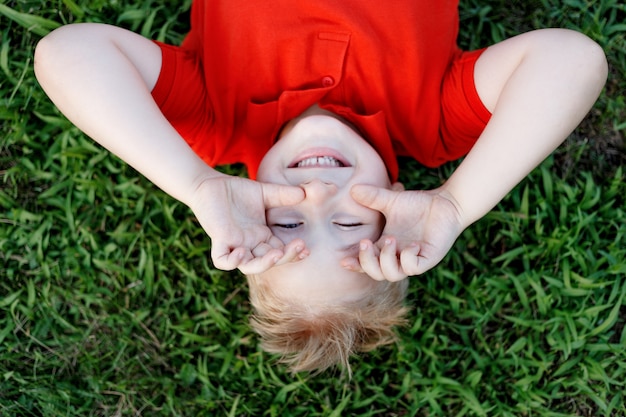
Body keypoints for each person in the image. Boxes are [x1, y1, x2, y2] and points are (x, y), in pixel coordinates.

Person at [34, 0, 607, 374]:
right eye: (350, 222)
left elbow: (67, 53)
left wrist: (196, 184)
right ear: (399, 198)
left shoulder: (216, 125)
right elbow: (572, 60)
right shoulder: (432, 124)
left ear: (252, 212)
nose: (316, 193)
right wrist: (456, 203)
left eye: (287, 221)